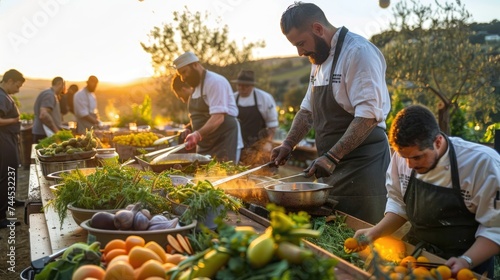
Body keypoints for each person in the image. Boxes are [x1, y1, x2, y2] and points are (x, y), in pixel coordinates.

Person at [272, 2, 391, 224]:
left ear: (318, 29)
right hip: (331, 165)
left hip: (363, 166)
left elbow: (368, 116)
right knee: (334, 232)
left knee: (360, 236)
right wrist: (288, 144)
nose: (299, 53)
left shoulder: (358, 52)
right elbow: (307, 111)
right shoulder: (318, 59)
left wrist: (332, 157)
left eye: (301, 43)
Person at [354, 105, 500, 277]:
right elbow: (398, 203)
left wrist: (465, 261)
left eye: (417, 157)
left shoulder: (482, 165)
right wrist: (374, 232)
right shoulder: (403, 157)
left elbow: (495, 228)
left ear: (437, 142)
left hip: (466, 266)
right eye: (404, 157)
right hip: (417, 259)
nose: (410, 165)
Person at [173, 51, 242, 163]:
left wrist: (197, 134)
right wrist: (189, 128)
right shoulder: (196, 87)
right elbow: (201, 116)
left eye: (184, 72)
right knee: (202, 177)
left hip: (223, 142)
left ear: (195, 64)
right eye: (180, 74)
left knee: (223, 176)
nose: (183, 78)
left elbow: (218, 117)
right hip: (205, 144)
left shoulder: (215, 82)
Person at [232, 70, 279, 165]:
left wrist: (268, 143)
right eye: (239, 85)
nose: (242, 88)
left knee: (261, 174)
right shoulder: (232, 98)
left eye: (246, 86)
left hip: (260, 146)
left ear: (252, 86)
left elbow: (272, 124)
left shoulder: (264, 98)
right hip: (238, 145)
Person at [0, 69, 25, 228]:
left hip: (8, 138)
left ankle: (10, 200)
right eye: (17, 85)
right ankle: (1, 217)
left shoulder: (5, 95)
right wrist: (15, 119)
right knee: (5, 174)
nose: (18, 89)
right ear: (9, 81)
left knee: (11, 170)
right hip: (3, 139)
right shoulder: (1, 96)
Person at [32, 76, 66, 143]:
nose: (63, 89)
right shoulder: (49, 95)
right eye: (63, 85)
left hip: (45, 134)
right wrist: (56, 131)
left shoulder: (50, 93)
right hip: (44, 134)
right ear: (59, 84)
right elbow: (43, 115)